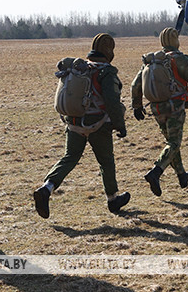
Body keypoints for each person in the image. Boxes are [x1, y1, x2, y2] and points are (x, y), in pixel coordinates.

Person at [34, 34, 131, 219]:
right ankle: (112, 199)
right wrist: (120, 125)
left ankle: (47, 188)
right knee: (106, 161)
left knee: (69, 157)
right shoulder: (107, 72)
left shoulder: (82, 68)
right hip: (98, 125)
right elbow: (112, 101)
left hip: (74, 122)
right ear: (109, 50)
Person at [132, 27, 188, 197]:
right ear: (175, 41)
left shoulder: (151, 61)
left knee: (171, 143)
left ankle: (182, 175)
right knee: (174, 143)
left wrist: (136, 106)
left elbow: (135, 85)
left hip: (156, 107)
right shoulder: (180, 59)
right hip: (175, 106)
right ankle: (156, 171)